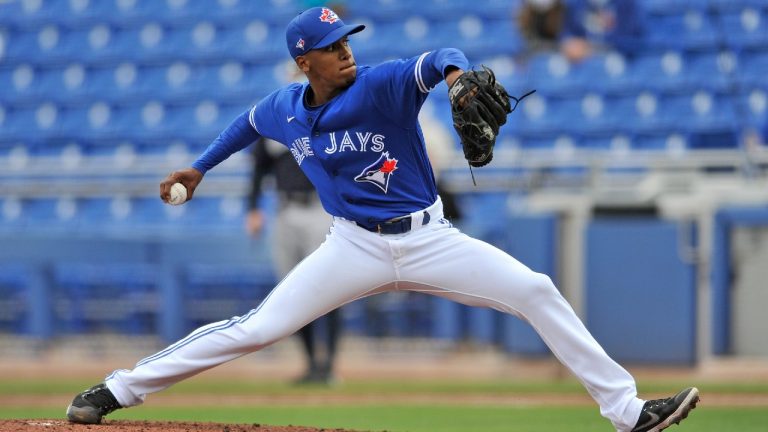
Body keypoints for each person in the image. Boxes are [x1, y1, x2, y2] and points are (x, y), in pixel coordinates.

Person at [66, 7, 699, 432]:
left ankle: (627, 411)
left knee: (535, 289)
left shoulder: (382, 85)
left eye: (346, 41)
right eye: (329, 47)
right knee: (257, 328)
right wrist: (200, 168)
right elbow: (246, 125)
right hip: (352, 248)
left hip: (430, 240)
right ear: (303, 62)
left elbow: (438, 57)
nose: (344, 52)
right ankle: (118, 390)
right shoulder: (285, 109)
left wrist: (455, 78)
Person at [245, 135, 340, 384]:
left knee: (329, 287)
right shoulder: (276, 119)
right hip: (285, 209)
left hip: (321, 207)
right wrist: (253, 208)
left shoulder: (325, 116)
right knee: (293, 290)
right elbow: (258, 168)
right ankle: (311, 365)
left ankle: (328, 366)